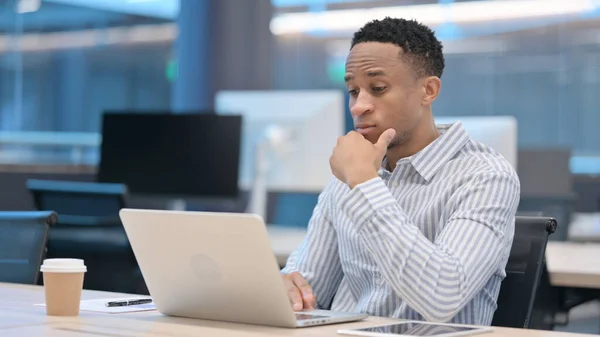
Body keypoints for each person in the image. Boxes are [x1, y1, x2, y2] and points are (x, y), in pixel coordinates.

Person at [280, 17, 520, 326]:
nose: (358, 106)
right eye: (353, 91)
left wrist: (364, 184)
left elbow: (441, 297)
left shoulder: (485, 176)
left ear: (428, 91)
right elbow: (307, 287)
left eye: (377, 88)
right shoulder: (351, 175)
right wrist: (286, 288)